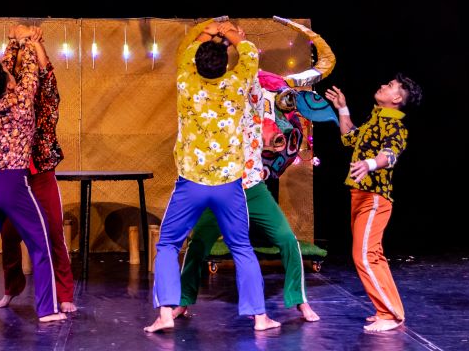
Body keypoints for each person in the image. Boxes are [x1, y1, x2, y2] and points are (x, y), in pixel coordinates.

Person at [173, 20, 338, 323]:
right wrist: (237, 38)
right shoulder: (229, 87)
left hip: (251, 184)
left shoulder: (243, 83)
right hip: (225, 184)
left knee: (287, 239)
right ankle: (183, 300)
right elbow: (246, 59)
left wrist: (218, 33)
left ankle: (298, 300)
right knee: (198, 243)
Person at [144, 19, 279, 333]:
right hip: (228, 184)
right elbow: (248, 53)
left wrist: (211, 28)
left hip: (191, 183)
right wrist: (231, 33)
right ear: (225, 64)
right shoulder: (237, 83)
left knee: (167, 245)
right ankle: (260, 317)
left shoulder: (185, 80)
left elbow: (188, 51)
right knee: (241, 247)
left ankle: (165, 313)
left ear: (196, 64)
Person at [0, 24, 65, 323]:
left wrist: (13, 42)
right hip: (12, 183)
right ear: (9, 83)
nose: (11, 75)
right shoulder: (22, 101)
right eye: (9, 76)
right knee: (40, 242)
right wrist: (27, 39)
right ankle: (47, 310)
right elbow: (33, 70)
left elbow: (2, 70)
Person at [324, 75, 422, 333]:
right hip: (360, 195)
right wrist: (342, 108)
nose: (382, 85)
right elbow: (350, 138)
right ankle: (387, 309)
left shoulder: (396, 126)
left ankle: (389, 314)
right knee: (373, 255)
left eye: (390, 86)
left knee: (364, 256)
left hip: (374, 198)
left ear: (397, 99)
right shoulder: (377, 118)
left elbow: (389, 155)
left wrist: (369, 164)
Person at [0, 30, 76, 313]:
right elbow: (1, 73)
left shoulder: (44, 103)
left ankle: (65, 294)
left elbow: (49, 78)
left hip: (41, 173)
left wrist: (36, 44)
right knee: (9, 234)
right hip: (14, 176)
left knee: (54, 233)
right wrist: (13, 42)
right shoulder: (7, 101)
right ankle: (11, 288)